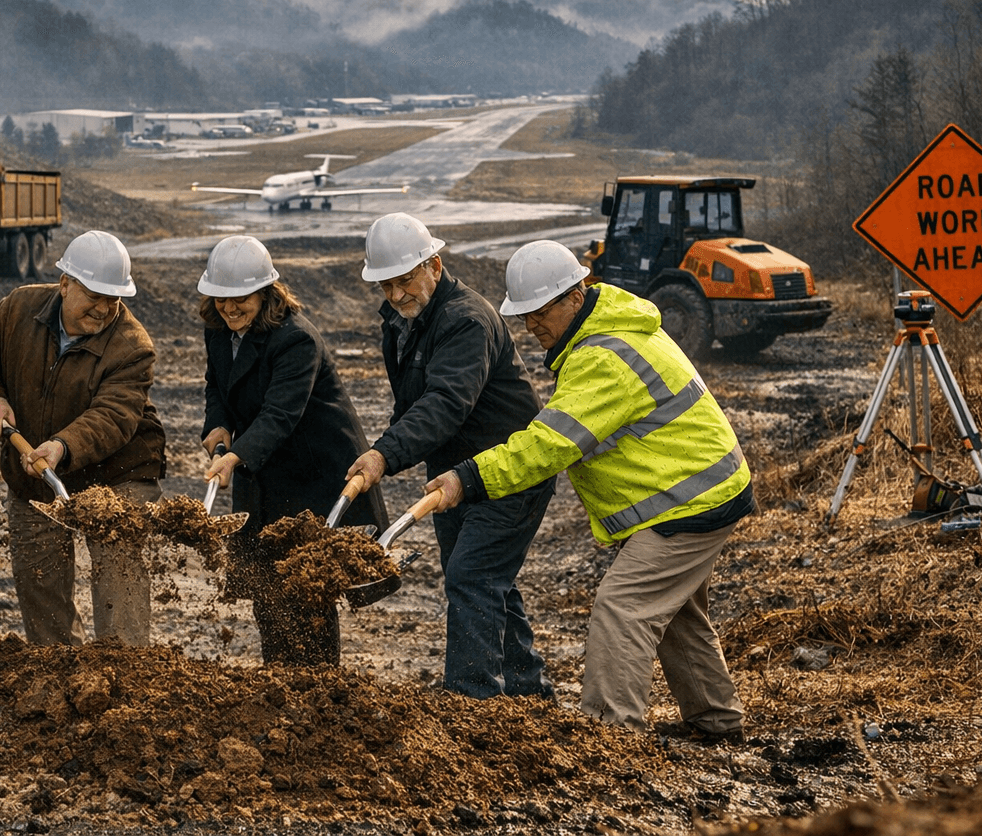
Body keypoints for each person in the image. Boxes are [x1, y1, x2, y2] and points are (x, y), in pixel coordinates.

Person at [425, 240, 753, 742]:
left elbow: (549, 444)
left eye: (541, 312)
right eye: (525, 315)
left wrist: (467, 477)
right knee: (678, 612)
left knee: (621, 610)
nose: (532, 326)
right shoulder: (608, 333)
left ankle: (611, 738)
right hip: (704, 489)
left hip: (689, 502)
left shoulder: (603, 358)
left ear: (576, 297)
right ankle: (717, 722)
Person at [343, 213, 555, 700]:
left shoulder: (466, 320)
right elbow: (411, 405)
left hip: (507, 470)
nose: (396, 294)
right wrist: (382, 451)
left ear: (434, 266)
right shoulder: (402, 323)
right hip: (454, 475)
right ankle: (531, 696)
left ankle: (469, 700)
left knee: (472, 574)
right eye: (386, 285)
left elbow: (445, 402)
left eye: (405, 280)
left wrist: (385, 455)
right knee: (482, 580)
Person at [198, 235, 389, 666]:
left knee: (306, 588)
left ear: (265, 292)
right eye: (221, 298)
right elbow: (217, 387)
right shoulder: (218, 331)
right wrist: (217, 426)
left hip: (311, 475)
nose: (229, 308)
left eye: (241, 299)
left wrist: (234, 457)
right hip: (264, 470)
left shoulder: (295, 340)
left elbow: (280, 415)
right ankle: (281, 681)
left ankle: (318, 685)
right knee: (267, 586)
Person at [0, 230, 166, 646]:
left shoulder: (132, 346)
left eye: (113, 299)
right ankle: (58, 668)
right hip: (36, 472)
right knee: (40, 580)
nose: (104, 309)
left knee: (119, 579)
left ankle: (125, 669)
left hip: (119, 474)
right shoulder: (17, 309)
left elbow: (113, 415)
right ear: (64, 284)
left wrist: (62, 446)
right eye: (94, 296)